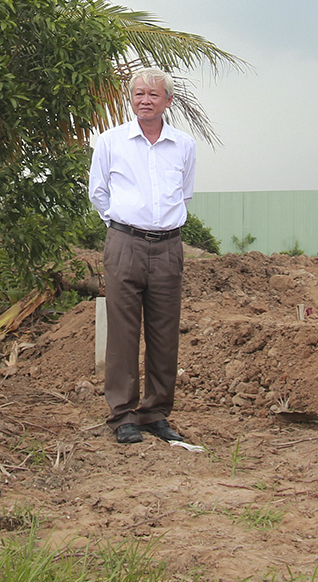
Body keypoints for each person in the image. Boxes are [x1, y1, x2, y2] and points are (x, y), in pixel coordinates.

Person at [88, 68, 196, 445]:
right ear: (130, 100)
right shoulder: (110, 142)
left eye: (153, 94)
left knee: (165, 333)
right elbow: (99, 193)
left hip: (168, 246)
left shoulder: (183, 145)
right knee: (123, 332)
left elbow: (184, 195)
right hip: (124, 244)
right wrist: (125, 227)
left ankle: (156, 412)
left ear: (168, 101)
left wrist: (159, 228)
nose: (145, 100)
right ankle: (123, 414)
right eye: (138, 94)